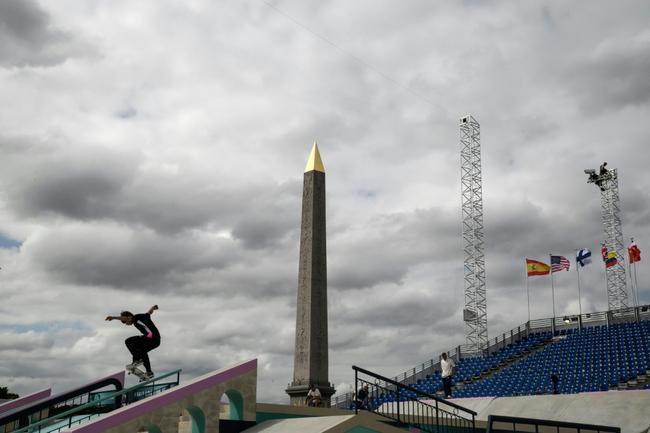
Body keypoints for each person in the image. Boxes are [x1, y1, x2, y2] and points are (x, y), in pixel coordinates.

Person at [106, 305, 160, 379]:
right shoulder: (143, 316)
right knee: (142, 350)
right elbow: (149, 312)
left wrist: (113, 317)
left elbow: (127, 317)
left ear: (129, 318)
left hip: (152, 338)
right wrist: (153, 307)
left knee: (129, 341)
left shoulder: (135, 318)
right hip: (155, 340)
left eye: (125, 322)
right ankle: (149, 372)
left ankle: (137, 360)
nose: (126, 324)